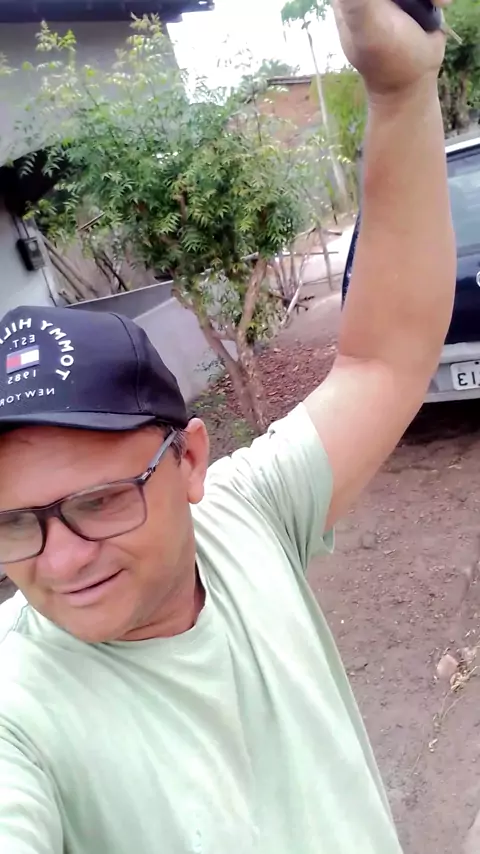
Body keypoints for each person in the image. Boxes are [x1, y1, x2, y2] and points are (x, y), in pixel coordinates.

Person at [0, 1, 456, 852]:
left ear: (190, 463)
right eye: (13, 523)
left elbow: (384, 361)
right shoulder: (17, 711)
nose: (59, 561)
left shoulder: (245, 520)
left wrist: (401, 91)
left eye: (100, 501)